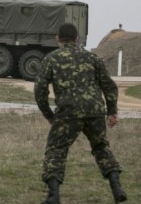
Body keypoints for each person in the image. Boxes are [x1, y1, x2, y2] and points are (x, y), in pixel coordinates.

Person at [34, 23, 127, 204]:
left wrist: (48, 115)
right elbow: (109, 86)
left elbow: (40, 90)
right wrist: (111, 112)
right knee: (101, 148)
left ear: (57, 39)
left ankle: (53, 196)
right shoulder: (93, 58)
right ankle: (117, 188)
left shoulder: (52, 58)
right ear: (77, 39)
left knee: (56, 150)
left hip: (68, 112)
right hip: (95, 111)